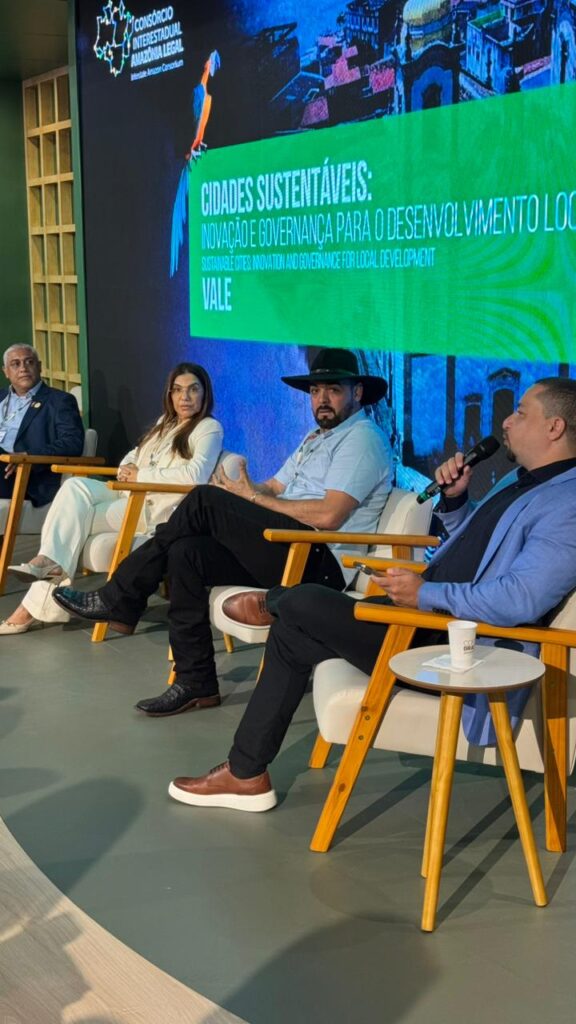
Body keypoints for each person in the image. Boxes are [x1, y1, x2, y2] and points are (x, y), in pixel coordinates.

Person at [160, 376, 576, 813]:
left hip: (453, 647)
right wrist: (455, 504)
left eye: (521, 412)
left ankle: (272, 602)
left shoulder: (568, 505)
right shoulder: (519, 479)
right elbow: (486, 552)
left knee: (301, 601)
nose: (507, 421)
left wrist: (427, 594)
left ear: (555, 428)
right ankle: (246, 774)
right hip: (422, 619)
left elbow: (521, 598)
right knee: (292, 634)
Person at [53, 348, 393, 714]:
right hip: (289, 544)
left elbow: (329, 515)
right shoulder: (317, 437)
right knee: (188, 554)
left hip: (320, 561)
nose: (321, 400)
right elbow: (275, 488)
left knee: (202, 499)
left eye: (332, 390)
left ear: (357, 392)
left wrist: (249, 501)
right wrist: (243, 491)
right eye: (314, 391)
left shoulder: (362, 440)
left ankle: (120, 595)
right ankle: (195, 682)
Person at [0, 362, 223, 635]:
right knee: (74, 488)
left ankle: (33, 603)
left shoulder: (208, 428)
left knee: (71, 522)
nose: (184, 398)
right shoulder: (164, 423)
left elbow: (195, 476)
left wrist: (142, 474)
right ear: (169, 395)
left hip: (153, 505)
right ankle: (49, 563)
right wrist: (126, 470)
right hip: (130, 494)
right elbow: (133, 455)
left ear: (204, 394)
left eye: (192, 390)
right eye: (177, 390)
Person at [0, 344, 84, 506]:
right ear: (6, 372)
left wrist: (27, 455)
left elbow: (72, 443)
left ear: (39, 367)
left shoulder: (59, 401)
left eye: (29, 362)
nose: (23, 368)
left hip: (26, 476)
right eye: (15, 364)